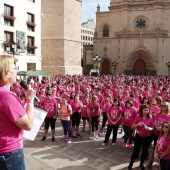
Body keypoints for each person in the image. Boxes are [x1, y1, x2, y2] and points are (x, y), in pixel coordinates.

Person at [0, 55, 35, 169]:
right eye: (14, 68)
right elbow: (28, 124)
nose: (16, 72)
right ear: (7, 73)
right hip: (9, 153)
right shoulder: (6, 96)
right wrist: (30, 100)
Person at [128, 104, 154, 170]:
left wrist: (150, 128)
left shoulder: (150, 117)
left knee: (144, 152)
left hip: (147, 137)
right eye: (145, 110)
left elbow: (153, 127)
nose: (146, 112)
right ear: (141, 110)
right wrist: (137, 124)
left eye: (147, 110)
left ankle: (141, 164)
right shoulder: (138, 117)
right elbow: (132, 127)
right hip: (139, 137)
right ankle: (131, 163)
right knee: (136, 151)